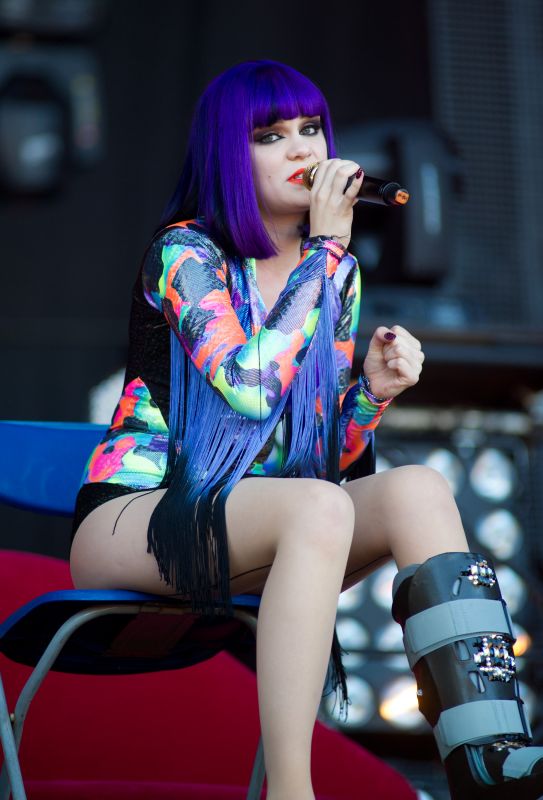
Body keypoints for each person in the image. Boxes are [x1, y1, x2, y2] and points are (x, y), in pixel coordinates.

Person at [69, 60, 543, 800]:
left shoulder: (334, 275)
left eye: (311, 129)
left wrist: (371, 395)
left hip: (265, 518)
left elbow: (317, 460)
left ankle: (486, 755)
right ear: (228, 155)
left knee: (416, 488)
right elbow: (251, 389)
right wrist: (323, 250)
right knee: (316, 509)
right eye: (270, 136)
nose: (302, 149)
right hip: (139, 519)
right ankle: (292, 790)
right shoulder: (186, 254)